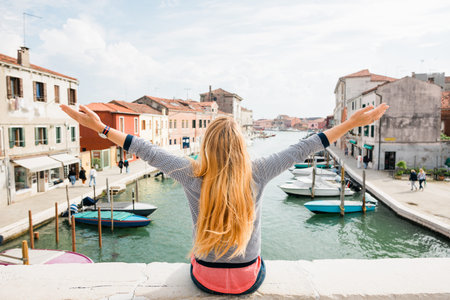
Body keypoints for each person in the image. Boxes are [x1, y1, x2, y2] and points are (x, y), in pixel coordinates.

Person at [60, 102, 388, 295]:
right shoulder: (260, 170)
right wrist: (350, 123)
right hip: (248, 277)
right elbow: (304, 147)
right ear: (241, 145)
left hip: (204, 276)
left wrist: (102, 129)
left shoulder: (190, 172)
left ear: (207, 145)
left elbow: (147, 150)